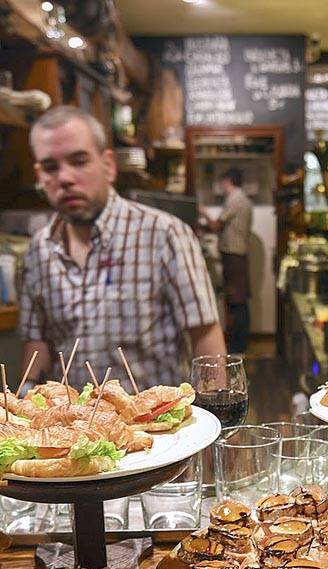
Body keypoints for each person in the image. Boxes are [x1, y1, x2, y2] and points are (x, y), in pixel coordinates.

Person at [20, 106, 225, 389]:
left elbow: (205, 334)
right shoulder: (37, 252)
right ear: (39, 175)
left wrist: (215, 417)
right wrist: (24, 394)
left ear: (108, 165)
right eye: (51, 167)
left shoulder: (163, 234)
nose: (65, 178)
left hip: (154, 427)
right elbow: (38, 341)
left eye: (79, 161)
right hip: (72, 427)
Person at [205, 168, 253, 353]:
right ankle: (239, 343)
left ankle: (238, 345)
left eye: (223, 182)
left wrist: (203, 212)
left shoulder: (235, 199)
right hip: (237, 254)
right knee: (237, 298)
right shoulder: (242, 199)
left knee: (237, 299)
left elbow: (217, 224)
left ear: (228, 181)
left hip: (234, 255)